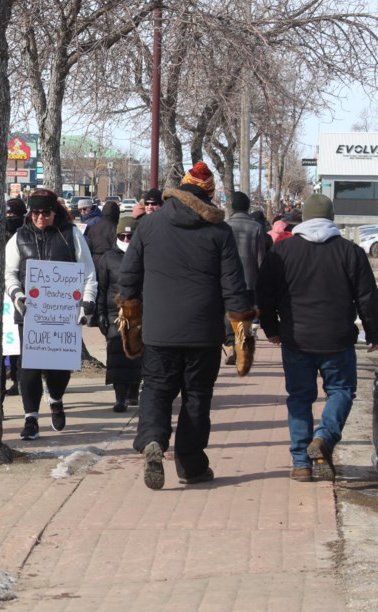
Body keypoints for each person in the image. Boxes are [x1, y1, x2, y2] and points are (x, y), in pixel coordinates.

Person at [118, 161, 255, 490]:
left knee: (155, 390)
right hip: (202, 333)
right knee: (197, 396)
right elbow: (233, 286)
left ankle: (152, 440)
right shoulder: (219, 231)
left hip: (158, 331)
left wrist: (131, 317)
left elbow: (129, 278)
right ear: (208, 195)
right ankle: (191, 466)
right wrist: (241, 331)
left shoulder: (149, 226)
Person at [257, 194, 378, 482]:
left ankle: (301, 462)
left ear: (304, 219)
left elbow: (265, 294)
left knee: (299, 397)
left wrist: (271, 328)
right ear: (332, 218)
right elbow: (367, 298)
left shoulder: (282, 251)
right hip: (337, 337)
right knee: (341, 391)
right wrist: (373, 333)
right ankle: (324, 437)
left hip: (295, 337)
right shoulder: (351, 252)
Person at [5, 188, 97, 440]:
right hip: (29, 312)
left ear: (54, 212)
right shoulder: (19, 237)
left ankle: (56, 398)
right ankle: (31, 419)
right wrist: (16, 294)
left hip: (63, 312)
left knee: (59, 367)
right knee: (29, 367)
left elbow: (88, 272)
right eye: (35, 213)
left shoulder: (71, 235)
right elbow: (9, 272)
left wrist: (86, 302)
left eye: (45, 212)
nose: (40, 217)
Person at [97, 216, 142, 412]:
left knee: (136, 355)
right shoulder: (108, 258)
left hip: (139, 311)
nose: (126, 240)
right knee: (116, 356)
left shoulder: (144, 256)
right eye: (122, 236)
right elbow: (102, 287)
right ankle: (120, 397)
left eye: (130, 237)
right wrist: (100, 314)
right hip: (115, 314)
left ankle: (133, 391)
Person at [223, 191, 267, 365]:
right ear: (248, 207)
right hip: (250, 279)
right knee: (244, 316)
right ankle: (241, 346)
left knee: (228, 314)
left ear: (232, 207)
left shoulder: (225, 226)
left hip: (228, 279)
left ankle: (232, 344)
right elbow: (260, 258)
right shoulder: (256, 227)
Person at [3, 197, 27, 396]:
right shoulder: (0, 234)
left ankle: (20, 379)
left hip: (21, 293)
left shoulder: (25, 236)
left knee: (20, 342)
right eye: (8, 215)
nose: (11, 218)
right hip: (2, 295)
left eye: (14, 215)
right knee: (8, 341)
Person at [86, 199, 121, 270]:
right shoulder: (116, 228)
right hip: (112, 261)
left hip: (96, 260)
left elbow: (88, 247)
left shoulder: (94, 227)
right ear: (116, 213)